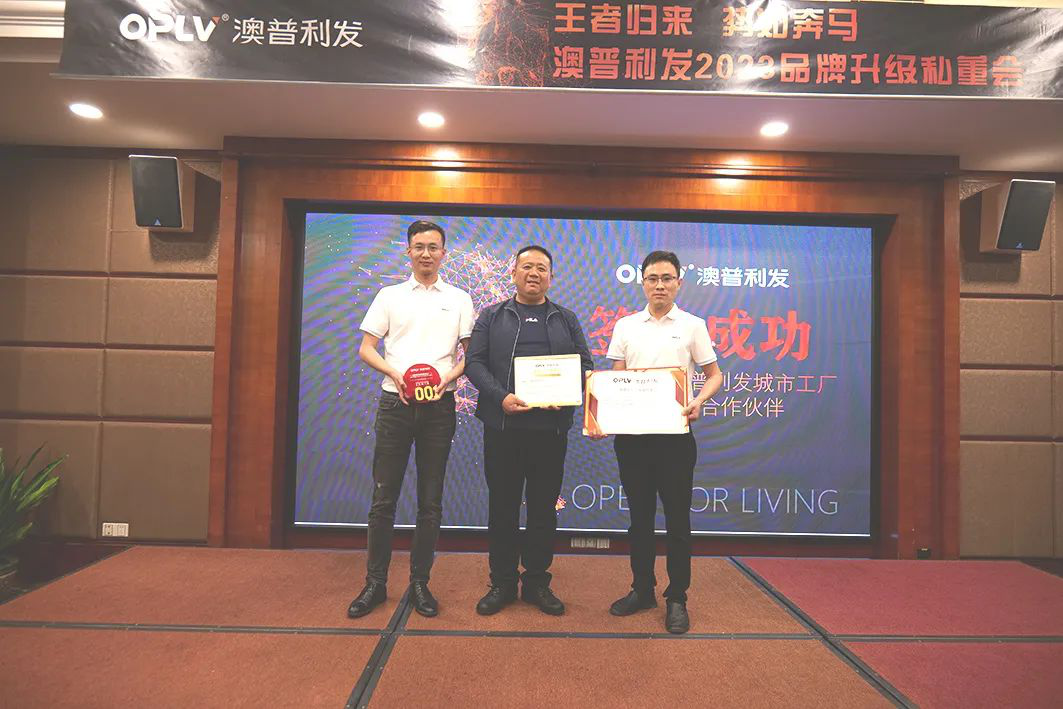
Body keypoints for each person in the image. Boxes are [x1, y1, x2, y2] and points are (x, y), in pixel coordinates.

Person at [347, 220, 474, 619]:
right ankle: (375, 583)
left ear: (443, 253)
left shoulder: (459, 298)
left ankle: (421, 583)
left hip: (439, 407)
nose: (426, 253)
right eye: (419, 246)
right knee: (383, 499)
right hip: (395, 405)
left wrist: (446, 379)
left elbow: (470, 355)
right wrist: (394, 373)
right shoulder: (389, 296)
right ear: (408, 251)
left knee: (430, 502)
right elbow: (366, 348)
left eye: (433, 247)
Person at [465, 245, 593, 616]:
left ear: (551, 276)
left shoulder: (565, 318)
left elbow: (585, 364)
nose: (533, 273)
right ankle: (502, 583)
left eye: (541, 268)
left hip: (550, 432)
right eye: (527, 267)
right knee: (502, 508)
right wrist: (501, 397)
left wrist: (565, 396)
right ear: (513, 273)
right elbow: (474, 363)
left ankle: (537, 582)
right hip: (503, 428)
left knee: (543, 510)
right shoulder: (492, 316)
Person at [602, 250, 723, 634]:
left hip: (675, 439)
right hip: (633, 439)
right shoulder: (625, 326)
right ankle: (642, 590)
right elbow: (616, 379)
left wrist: (698, 401)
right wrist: (605, 416)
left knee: (677, 522)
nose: (659, 285)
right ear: (642, 282)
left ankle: (677, 598)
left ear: (678, 283)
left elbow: (715, 374)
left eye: (667, 278)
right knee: (639, 520)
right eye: (652, 278)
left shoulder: (692, 326)